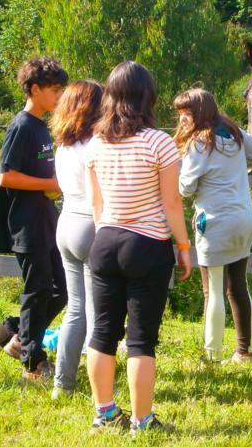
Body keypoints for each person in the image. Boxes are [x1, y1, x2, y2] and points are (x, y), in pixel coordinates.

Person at [85, 61, 192, 436]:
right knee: (141, 339)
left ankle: (104, 412)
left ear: (111, 96)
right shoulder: (159, 142)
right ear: (148, 97)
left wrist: (107, 233)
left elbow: (96, 203)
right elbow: (172, 204)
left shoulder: (95, 143)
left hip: (104, 242)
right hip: (146, 246)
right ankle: (141, 421)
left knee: (102, 332)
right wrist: (183, 246)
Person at [173, 88, 252, 364]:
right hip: (244, 219)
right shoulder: (232, 132)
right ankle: (244, 351)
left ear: (199, 113)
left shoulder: (199, 144)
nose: (181, 120)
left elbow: (186, 188)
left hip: (214, 223)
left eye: (185, 114)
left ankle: (212, 356)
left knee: (212, 289)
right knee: (238, 285)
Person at [0, 56, 68, 382]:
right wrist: (49, 185)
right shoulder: (22, 125)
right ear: (34, 89)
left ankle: (20, 339)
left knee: (62, 290)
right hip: (26, 224)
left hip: (47, 221)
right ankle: (33, 365)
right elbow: (6, 177)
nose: (59, 96)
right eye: (54, 90)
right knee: (36, 291)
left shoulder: (43, 125)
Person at [49, 79, 104, 399]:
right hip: (90, 224)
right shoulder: (96, 145)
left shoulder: (63, 145)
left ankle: (63, 383)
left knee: (75, 309)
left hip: (66, 222)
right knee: (96, 312)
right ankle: (102, 390)